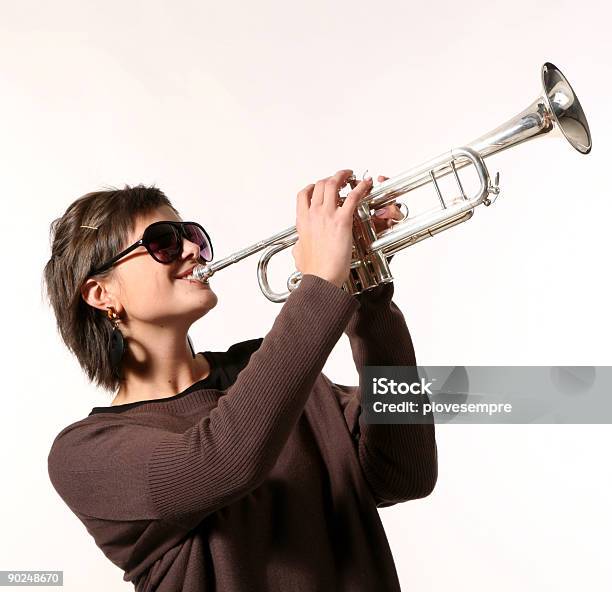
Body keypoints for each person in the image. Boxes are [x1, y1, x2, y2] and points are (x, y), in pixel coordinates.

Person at [44, 169, 437, 592]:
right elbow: (222, 461)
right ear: (101, 294)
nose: (194, 249)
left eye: (192, 235)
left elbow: (405, 474)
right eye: (163, 242)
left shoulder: (263, 367)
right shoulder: (84, 454)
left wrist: (369, 299)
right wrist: (321, 281)